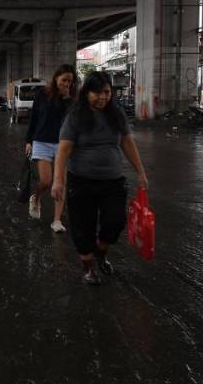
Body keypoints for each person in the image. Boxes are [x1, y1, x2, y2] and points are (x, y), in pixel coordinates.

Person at [51, 71, 148, 285]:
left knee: (115, 222)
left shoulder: (117, 114)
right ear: (86, 93)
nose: (103, 97)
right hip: (81, 182)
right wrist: (58, 180)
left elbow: (127, 143)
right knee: (82, 226)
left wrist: (140, 172)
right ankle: (88, 267)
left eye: (106, 92)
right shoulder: (75, 117)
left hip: (113, 181)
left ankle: (101, 253)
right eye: (97, 93)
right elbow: (64, 150)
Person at [25, 64, 77, 233]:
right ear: (56, 78)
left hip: (63, 143)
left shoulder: (72, 98)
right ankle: (37, 197)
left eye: (70, 81)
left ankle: (56, 221)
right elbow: (34, 118)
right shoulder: (42, 94)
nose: (67, 84)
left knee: (60, 182)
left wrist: (67, 98)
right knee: (46, 181)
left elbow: (74, 121)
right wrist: (28, 141)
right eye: (64, 80)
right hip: (41, 141)